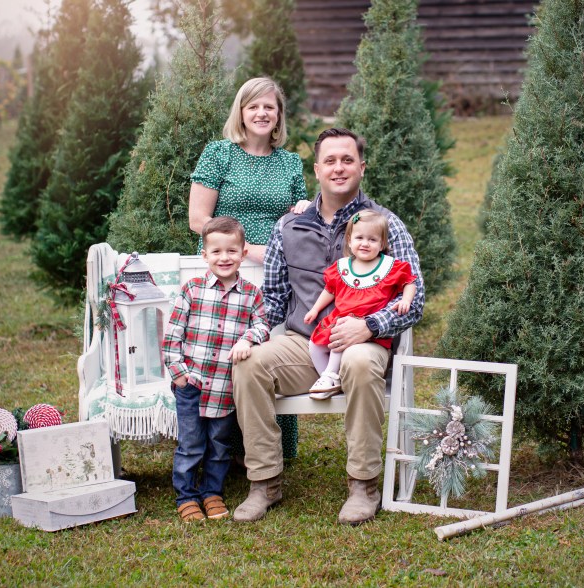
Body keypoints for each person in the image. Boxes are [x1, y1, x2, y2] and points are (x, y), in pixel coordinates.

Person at [232, 128, 425, 525]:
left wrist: (370, 326)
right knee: (250, 365)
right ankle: (265, 481)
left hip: (364, 342)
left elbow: (415, 296)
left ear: (362, 168)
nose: (339, 168)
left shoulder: (385, 225)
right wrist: (252, 335)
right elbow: (274, 298)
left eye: (347, 160)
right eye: (330, 161)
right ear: (317, 169)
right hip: (307, 343)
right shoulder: (289, 227)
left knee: (358, 361)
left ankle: (363, 485)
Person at [188, 77, 308, 461]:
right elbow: (198, 218)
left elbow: (298, 221)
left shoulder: (290, 162)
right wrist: (246, 251)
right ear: (240, 112)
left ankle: (270, 448)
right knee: (226, 350)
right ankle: (218, 449)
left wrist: (302, 213)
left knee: (269, 348)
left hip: (275, 273)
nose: (261, 113)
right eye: (253, 106)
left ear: (279, 115)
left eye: (269, 107)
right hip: (227, 267)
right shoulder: (219, 154)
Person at [162, 217, 270, 522]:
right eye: (217, 251)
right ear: (205, 255)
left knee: (220, 445)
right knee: (191, 444)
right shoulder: (192, 290)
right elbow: (172, 336)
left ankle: (212, 493)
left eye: (231, 251)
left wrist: (248, 338)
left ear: (243, 253)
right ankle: (186, 496)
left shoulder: (251, 294)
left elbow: (263, 326)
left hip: (225, 386)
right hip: (192, 385)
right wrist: (179, 375)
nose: (224, 258)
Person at [304, 210, 417, 399]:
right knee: (315, 346)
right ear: (349, 240)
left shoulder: (389, 267)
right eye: (359, 238)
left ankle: (330, 375)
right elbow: (330, 290)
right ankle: (331, 379)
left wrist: (405, 300)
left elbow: (409, 283)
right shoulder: (343, 267)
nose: (365, 243)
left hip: (365, 329)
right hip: (340, 320)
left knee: (339, 342)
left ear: (382, 244)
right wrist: (315, 309)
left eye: (372, 240)